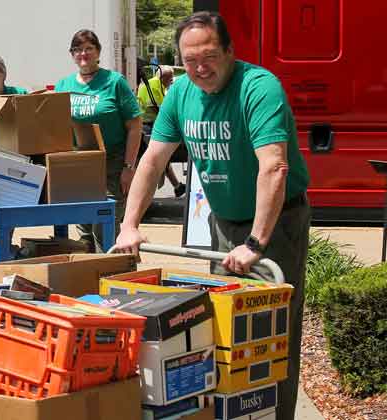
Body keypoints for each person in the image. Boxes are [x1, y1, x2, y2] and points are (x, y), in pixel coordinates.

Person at [112, 12, 311, 420]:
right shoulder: (181, 93)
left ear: (230, 52)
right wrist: (130, 224)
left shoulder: (258, 88)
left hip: (275, 224)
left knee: (272, 335)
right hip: (223, 222)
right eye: (190, 59)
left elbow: (274, 167)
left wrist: (256, 242)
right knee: (223, 328)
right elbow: (152, 161)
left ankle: (277, 415)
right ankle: (233, 412)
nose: (201, 68)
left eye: (210, 56)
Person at [54, 29, 143, 253]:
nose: (83, 54)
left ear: (98, 52)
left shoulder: (114, 82)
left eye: (88, 48)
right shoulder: (63, 86)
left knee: (106, 227)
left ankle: (114, 276)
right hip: (80, 164)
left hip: (112, 163)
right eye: (78, 49)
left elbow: (135, 126)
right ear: (72, 54)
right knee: (83, 229)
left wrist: (129, 167)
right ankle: (89, 276)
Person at [136, 65, 185, 197]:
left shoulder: (151, 84)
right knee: (160, 157)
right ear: (163, 77)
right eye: (169, 80)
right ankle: (176, 186)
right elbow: (159, 107)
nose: (170, 82)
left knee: (162, 158)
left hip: (146, 123)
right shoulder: (154, 84)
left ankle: (177, 186)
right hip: (150, 124)